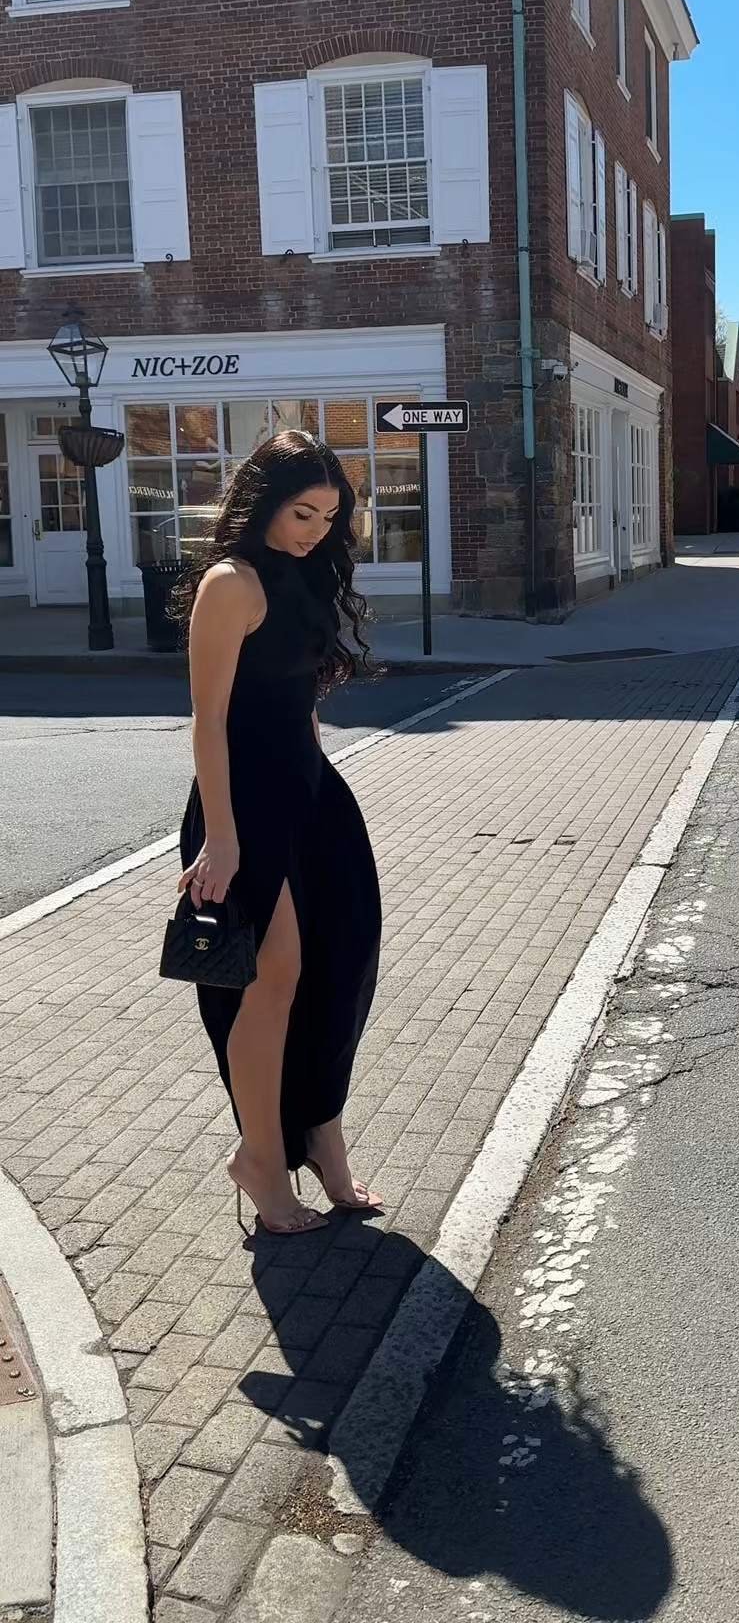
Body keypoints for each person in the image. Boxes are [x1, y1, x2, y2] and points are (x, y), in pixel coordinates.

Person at [174, 430, 383, 1235]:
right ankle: (261, 1158)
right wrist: (222, 839)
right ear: (262, 500)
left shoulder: (308, 575)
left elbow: (300, 699)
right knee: (274, 976)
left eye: (329, 518)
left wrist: (321, 779)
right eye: (303, 513)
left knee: (340, 963)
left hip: (309, 792)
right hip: (243, 804)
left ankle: (323, 1137)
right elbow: (208, 721)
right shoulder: (231, 583)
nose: (315, 531)